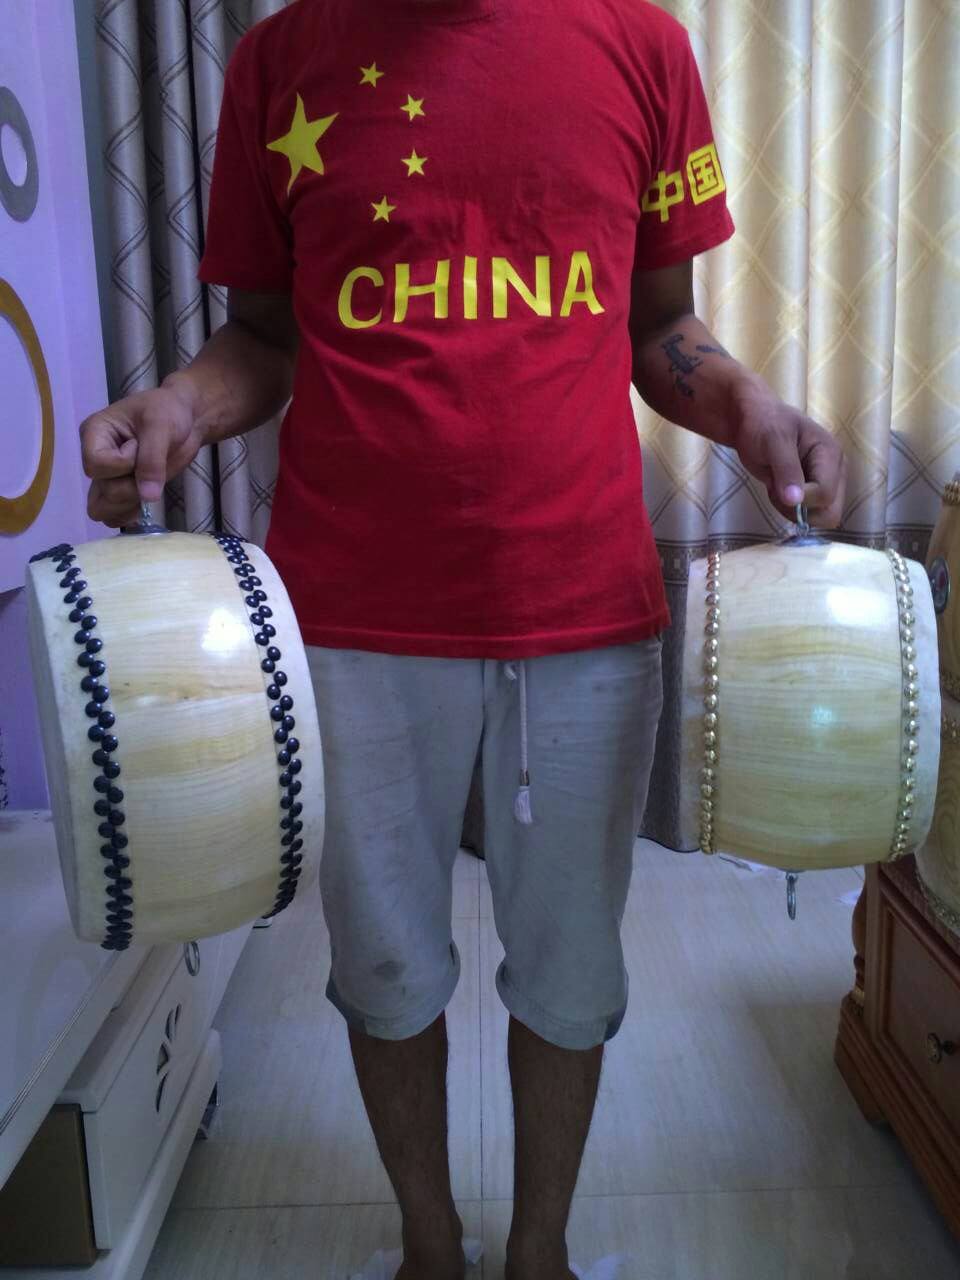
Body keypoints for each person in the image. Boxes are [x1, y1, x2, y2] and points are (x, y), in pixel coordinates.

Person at [80, 2, 846, 1276]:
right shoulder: (280, 60)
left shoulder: (644, 47)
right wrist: (178, 406)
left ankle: (540, 1255)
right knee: (383, 966)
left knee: (572, 970)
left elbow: (660, 324)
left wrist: (749, 405)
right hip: (351, 618)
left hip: (584, 608)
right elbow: (265, 337)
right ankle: (429, 1251)